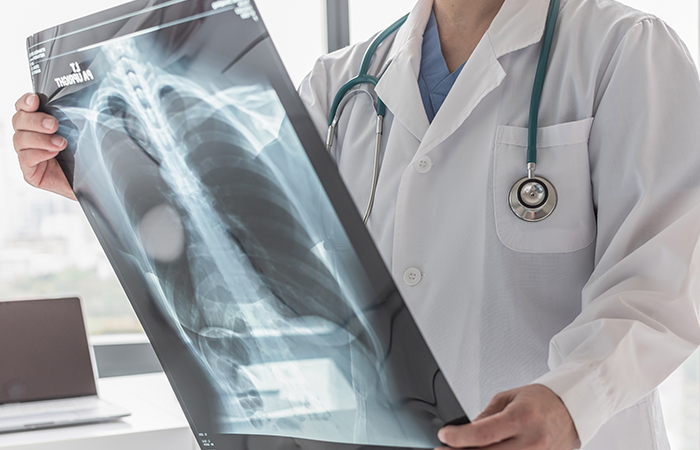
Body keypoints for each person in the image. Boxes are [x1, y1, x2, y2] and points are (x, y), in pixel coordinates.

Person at [11, 0, 700, 448]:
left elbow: (663, 283)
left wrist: (571, 401)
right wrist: (93, 184)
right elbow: (235, 234)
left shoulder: (623, 51)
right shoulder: (341, 83)